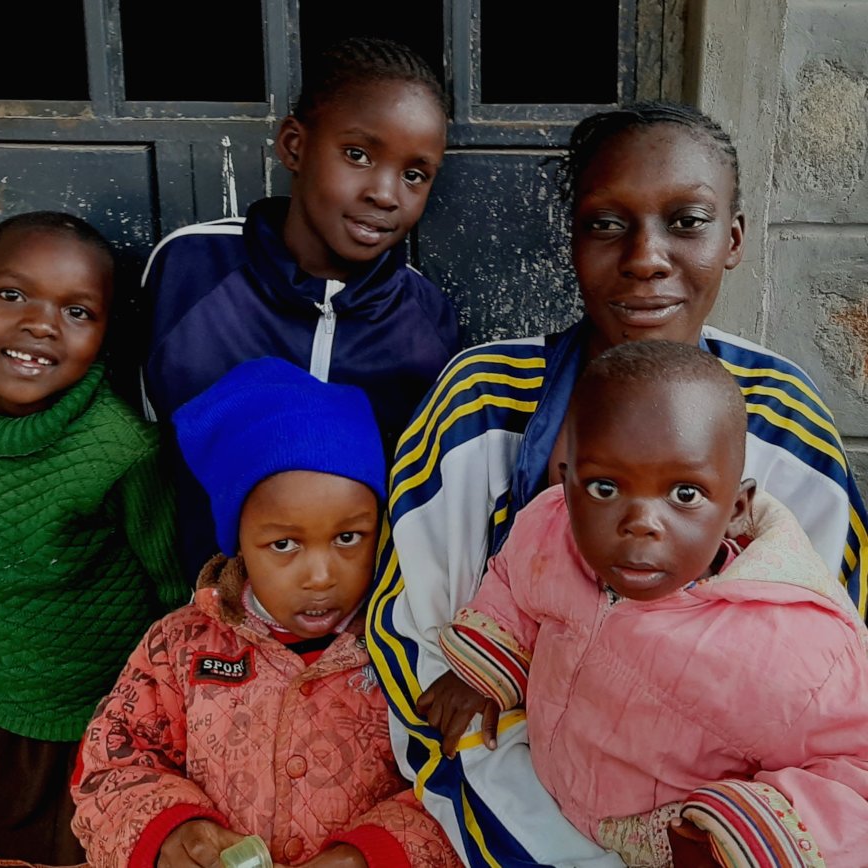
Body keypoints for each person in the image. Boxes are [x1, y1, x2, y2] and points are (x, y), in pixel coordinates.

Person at [366, 102, 868, 867]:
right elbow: (421, 662)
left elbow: (836, 711)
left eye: (687, 221)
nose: (645, 258)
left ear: (732, 239)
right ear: (571, 239)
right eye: (606, 224)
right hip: (500, 831)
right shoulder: (480, 403)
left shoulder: (783, 422)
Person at [423, 340, 868, 867]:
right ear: (567, 487)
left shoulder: (794, 650)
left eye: (684, 494)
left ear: (736, 508)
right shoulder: (551, 530)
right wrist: (484, 668)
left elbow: (854, 769)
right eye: (605, 488)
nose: (640, 521)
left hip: (656, 842)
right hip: (539, 795)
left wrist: (735, 834)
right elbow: (515, 583)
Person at [70, 358, 462, 868]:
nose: (320, 575)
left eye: (349, 537)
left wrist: (370, 855)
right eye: (283, 544)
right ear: (239, 546)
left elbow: (466, 780)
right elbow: (110, 761)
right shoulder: (181, 647)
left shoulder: (414, 644)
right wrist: (173, 832)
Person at [0, 211, 185, 867]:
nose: (42, 324)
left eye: (78, 311)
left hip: (107, 717)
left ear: (105, 336)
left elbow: (168, 582)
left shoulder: (120, 448)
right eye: (12, 294)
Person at [143, 36, 458, 579]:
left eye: (414, 174)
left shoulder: (425, 320)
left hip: (354, 629)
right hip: (205, 617)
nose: (385, 193)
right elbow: (145, 445)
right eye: (358, 155)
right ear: (294, 145)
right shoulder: (190, 268)